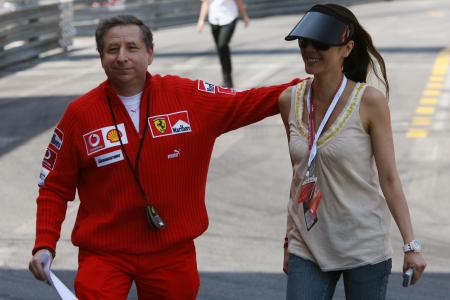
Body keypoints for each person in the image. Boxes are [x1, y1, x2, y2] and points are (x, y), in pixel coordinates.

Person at [28, 15, 300, 299]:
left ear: (150, 54)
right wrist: (44, 244)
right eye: (112, 49)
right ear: (101, 57)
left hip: (170, 250)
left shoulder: (187, 97)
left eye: (132, 48)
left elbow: (247, 101)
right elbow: (54, 186)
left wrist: (310, 87)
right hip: (104, 253)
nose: (122, 57)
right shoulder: (79, 115)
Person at [277, 4, 427, 300]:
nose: (309, 49)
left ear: (347, 48)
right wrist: (288, 240)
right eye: (303, 42)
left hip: (363, 245)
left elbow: (389, 178)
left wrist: (411, 245)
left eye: (320, 43)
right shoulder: (289, 101)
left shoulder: (369, 102)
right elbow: (299, 177)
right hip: (307, 245)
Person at [197, 0, 250, 88]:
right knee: (221, 50)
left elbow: (239, 2)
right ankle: (227, 79)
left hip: (229, 18)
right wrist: (201, 20)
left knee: (222, 45)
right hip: (214, 20)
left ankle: (227, 80)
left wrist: (245, 16)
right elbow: (205, 3)